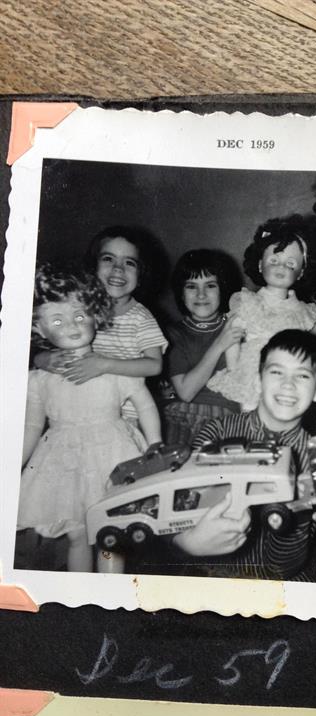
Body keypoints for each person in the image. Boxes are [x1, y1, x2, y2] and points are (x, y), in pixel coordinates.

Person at [17, 264, 162, 572]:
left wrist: (155, 445)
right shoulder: (40, 379)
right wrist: (16, 462)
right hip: (63, 464)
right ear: (39, 329)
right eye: (58, 320)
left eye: (80, 316)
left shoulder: (114, 368)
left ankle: (108, 593)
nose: (72, 325)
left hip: (112, 457)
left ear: (95, 316)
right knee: (77, 535)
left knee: (111, 533)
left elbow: (146, 406)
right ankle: (78, 593)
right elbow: (32, 425)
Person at [159, 329, 316, 581]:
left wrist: (300, 509)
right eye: (276, 372)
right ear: (258, 381)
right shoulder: (216, 433)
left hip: (288, 582)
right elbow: (177, 507)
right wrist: (184, 543)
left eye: (302, 375)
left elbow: (284, 566)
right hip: (217, 576)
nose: (288, 385)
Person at [35, 226, 168, 426]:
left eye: (129, 262)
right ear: (92, 267)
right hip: (73, 413)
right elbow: (49, 341)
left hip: (123, 418)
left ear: (141, 275)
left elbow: (154, 365)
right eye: (108, 259)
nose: (118, 268)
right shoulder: (76, 310)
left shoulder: (140, 318)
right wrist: (41, 359)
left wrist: (105, 365)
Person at [207, 215, 316, 411]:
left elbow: (310, 349)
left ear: (301, 272)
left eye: (291, 264)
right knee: (252, 418)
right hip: (252, 374)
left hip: (288, 377)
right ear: (260, 265)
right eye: (274, 260)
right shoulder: (248, 302)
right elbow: (233, 338)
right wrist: (235, 371)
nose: (281, 267)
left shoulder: (304, 313)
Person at [164, 249, 243, 443]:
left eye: (210, 285)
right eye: (191, 286)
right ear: (181, 293)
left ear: (222, 288)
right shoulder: (174, 334)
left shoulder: (239, 323)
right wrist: (219, 344)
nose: (201, 294)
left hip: (232, 421)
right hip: (187, 420)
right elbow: (186, 392)